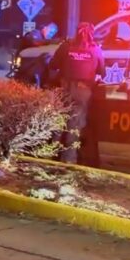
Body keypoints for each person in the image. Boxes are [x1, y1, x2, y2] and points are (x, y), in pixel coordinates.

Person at [48, 22, 105, 164]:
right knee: (74, 126)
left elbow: (53, 65)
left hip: (64, 89)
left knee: (59, 122)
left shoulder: (65, 46)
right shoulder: (95, 49)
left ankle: (51, 155)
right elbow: (102, 72)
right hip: (83, 91)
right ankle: (69, 160)